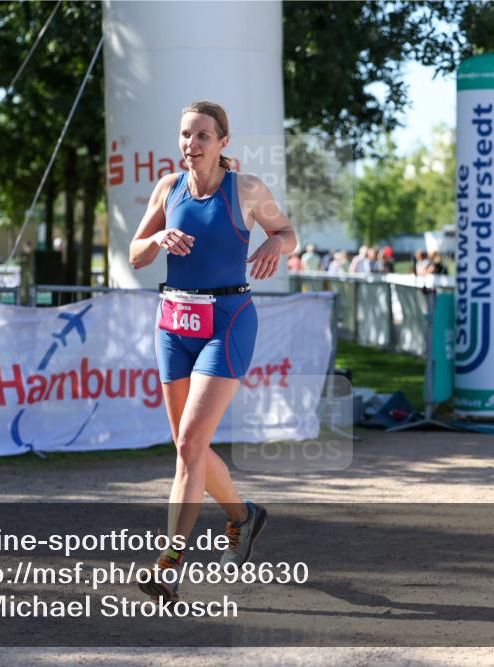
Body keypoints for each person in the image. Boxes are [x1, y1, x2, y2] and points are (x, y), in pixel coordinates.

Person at [128, 101, 297, 602]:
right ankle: (244, 518)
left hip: (227, 321)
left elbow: (287, 232)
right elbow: (135, 255)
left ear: (223, 142)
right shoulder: (167, 187)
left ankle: (168, 563)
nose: (191, 144)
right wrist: (157, 236)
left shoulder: (245, 189)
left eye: (203, 135)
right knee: (188, 445)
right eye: (185, 134)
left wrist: (274, 245)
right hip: (173, 322)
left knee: (189, 445)